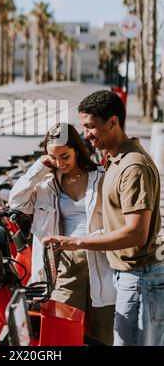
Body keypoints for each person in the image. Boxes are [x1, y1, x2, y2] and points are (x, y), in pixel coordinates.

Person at [43, 90, 164, 346]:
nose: (86, 134)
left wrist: (78, 242)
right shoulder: (115, 160)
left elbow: (136, 233)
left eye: (91, 127)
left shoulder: (133, 167)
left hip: (140, 279)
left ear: (113, 123)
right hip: (129, 276)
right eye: (84, 127)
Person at [9, 123, 116, 345]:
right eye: (53, 157)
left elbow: (117, 221)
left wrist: (85, 241)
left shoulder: (102, 177)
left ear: (77, 149)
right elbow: (16, 202)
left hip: (102, 259)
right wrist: (40, 167)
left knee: (103, 333)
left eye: (65, 155)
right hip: (65, 263)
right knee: (61, 330)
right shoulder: (47, 184)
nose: (60, 163)